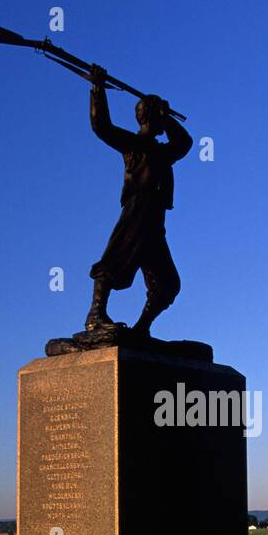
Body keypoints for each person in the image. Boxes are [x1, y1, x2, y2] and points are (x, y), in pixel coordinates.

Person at [85, 64, 192, 336]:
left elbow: (185, 143)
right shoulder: (133, 145)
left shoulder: (163, 151)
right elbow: (102, 126)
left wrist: (167, 117)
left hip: (156, 217)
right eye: (156, 115)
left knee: (167, 283)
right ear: (147, 117)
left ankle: (141, 329)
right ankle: (95, 314)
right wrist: (98, 88)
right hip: (139, 207)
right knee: (117, 256)